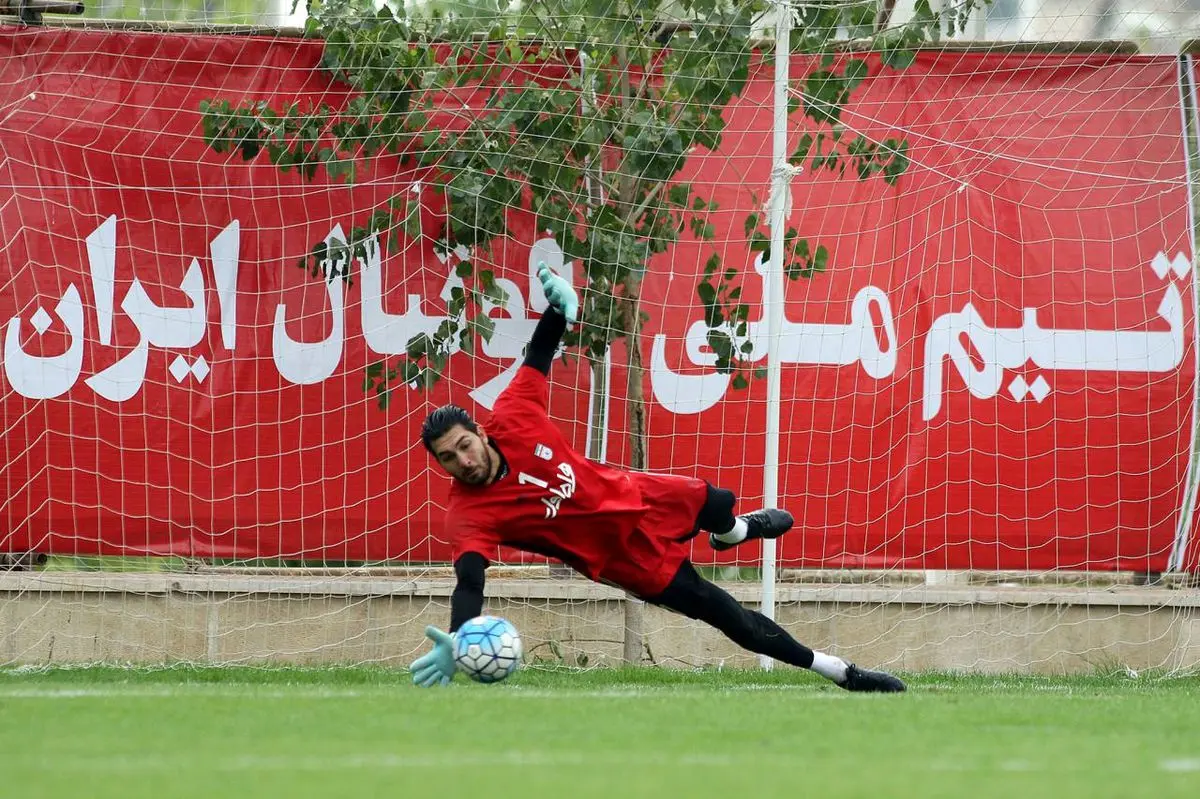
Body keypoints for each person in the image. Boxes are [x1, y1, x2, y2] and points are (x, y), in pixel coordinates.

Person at [409, 264, 906, 693]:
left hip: (640, 496)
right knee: (728, 615)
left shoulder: (513, 413)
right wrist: (458, 636)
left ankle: (733, 532)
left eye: (465, 445)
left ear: (478, 430)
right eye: (449, 459)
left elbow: (538, 355)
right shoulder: (468, 516)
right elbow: (469, 581)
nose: (464, 461)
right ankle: (841, 673)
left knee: (720, 499)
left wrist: (560, 307)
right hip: (627, 558)